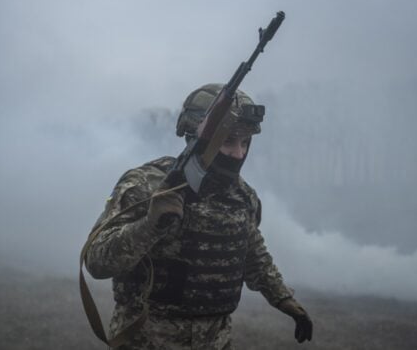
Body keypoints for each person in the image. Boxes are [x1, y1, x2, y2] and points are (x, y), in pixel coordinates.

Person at [85, 83, 313, 349]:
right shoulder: (145, 186)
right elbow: (97, 262)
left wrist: (282, 298)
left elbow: (251, 252)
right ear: (197, 138)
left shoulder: (242, 196)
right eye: (228, 140)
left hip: (216, 340)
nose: (238, 153)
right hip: (146, 340)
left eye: (245, 142)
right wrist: (148, 225)